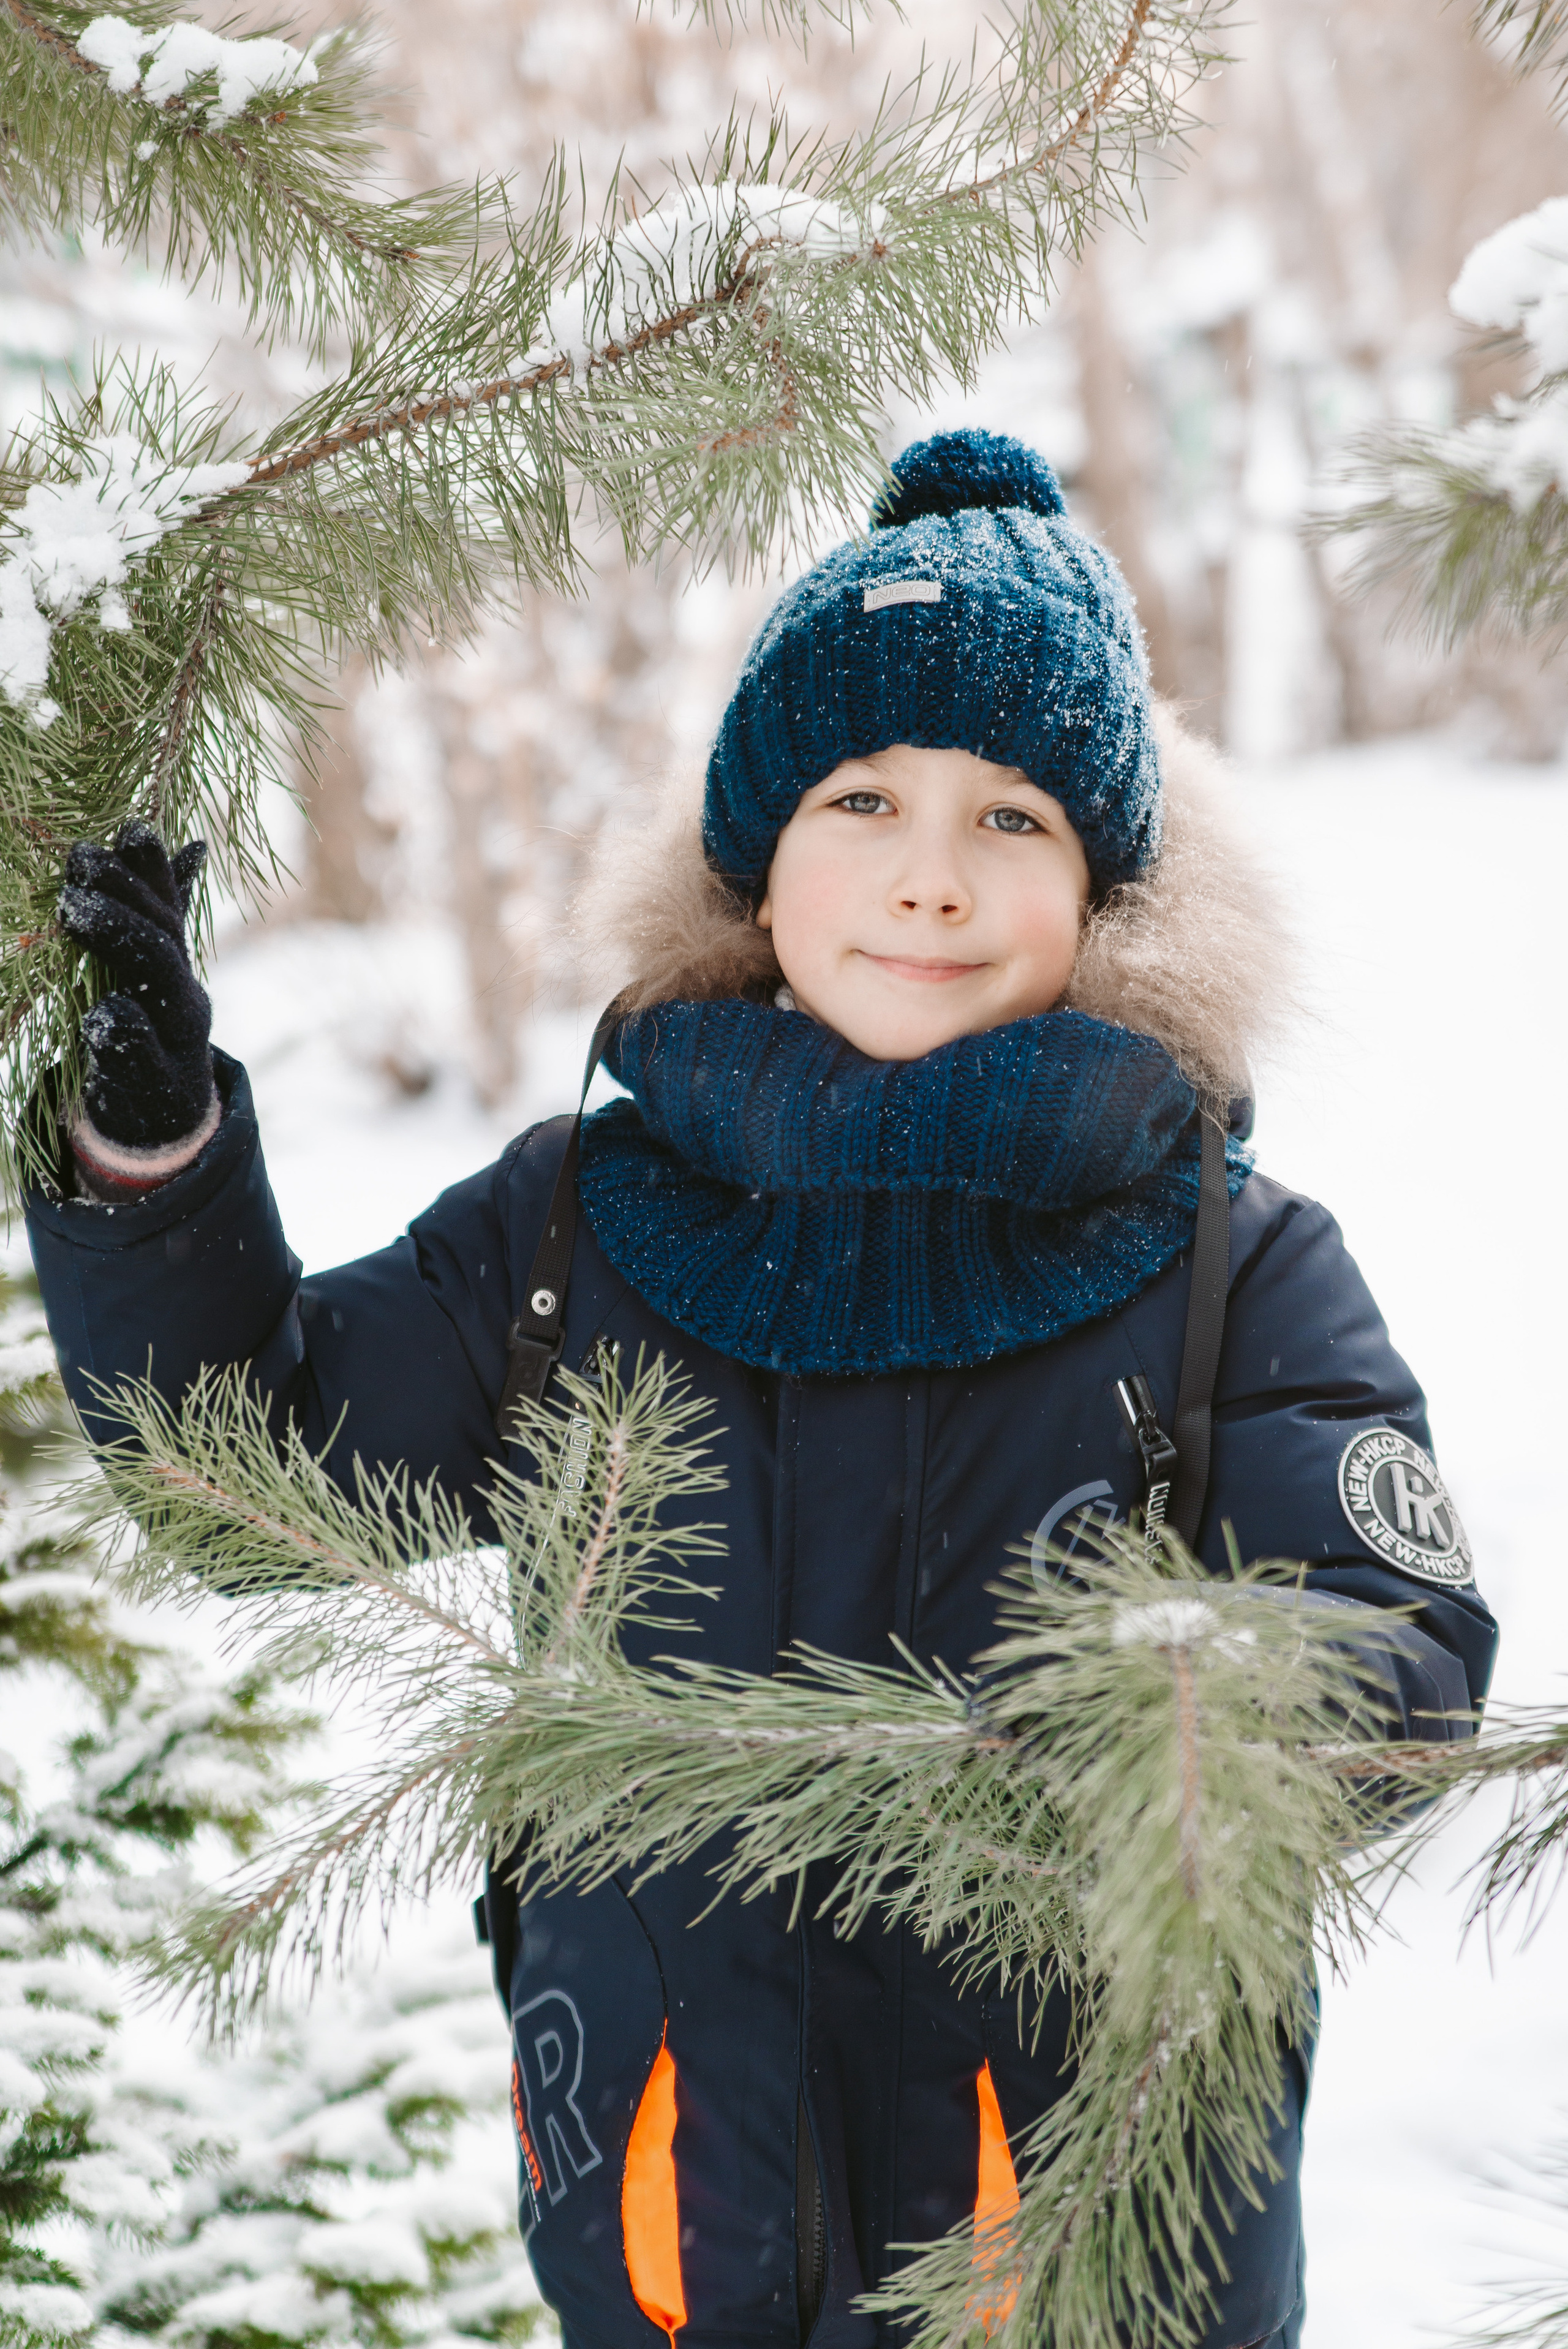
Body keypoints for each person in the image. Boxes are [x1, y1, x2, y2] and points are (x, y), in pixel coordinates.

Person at [24, 429, 1496, 2349]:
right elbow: (249, 1468)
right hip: (666, 2235)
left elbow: (1398, 1633)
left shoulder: (1227, 1255)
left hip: (1090, 2270)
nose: (931, 879)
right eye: (864, 798)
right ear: (758, 853)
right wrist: (155, 1164)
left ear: (1105, 880)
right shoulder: (586, 1222)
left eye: (1014, 820)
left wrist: (1179, 1715)